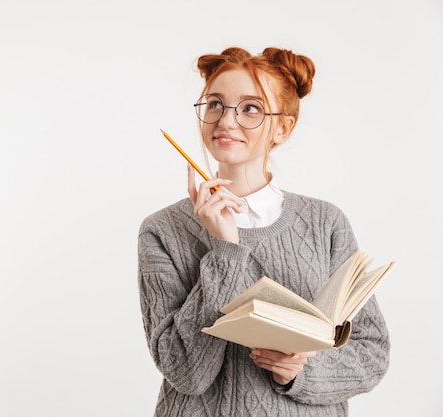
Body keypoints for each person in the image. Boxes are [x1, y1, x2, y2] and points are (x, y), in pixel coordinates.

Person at [137, 46, 390, 416]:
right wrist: (225, 249)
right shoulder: (162, 230)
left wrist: (301, 371)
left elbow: (371, 352)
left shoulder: (325, 222)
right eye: (215, 104)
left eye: (251, 108)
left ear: (283, 128)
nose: (226, 120)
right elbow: (186, 374)